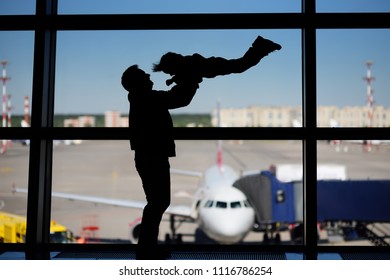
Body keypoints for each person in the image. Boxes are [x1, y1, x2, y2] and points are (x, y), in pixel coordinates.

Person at [121, 65, 201, 259]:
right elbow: (178, 99)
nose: (148, 75)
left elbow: (175, 98)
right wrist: (191, 81)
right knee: (158, 203)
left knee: (156, 203)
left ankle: (147, 249)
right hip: (153, 156)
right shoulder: (147, 98)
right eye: (143, 74)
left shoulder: (141, 98)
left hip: (148, 156)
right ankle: (147, 250)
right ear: (137, 82)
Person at [152, 35, 281, 86]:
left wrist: (173, 80)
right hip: (215, 66)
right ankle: (261, 48)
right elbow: (185, 74)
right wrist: (173, 79)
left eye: (169, 71)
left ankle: (260, 47)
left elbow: (186, 74)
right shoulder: (186, 64)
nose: (170, 74)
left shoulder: (187, 65)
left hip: (215, 66)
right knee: (240, 65)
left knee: (240, 66)